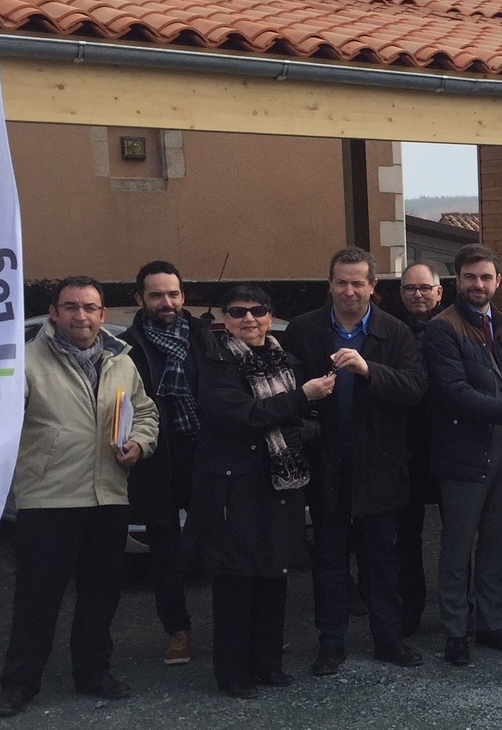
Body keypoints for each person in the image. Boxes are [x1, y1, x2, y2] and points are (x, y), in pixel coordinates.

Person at [0, 277, 160, 718]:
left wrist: (141, 443)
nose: (79, 316)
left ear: (103, 315)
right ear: (54, 312)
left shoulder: (121, 360)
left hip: (107, 497)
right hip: (49, 499)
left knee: (100, 596)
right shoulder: (24, 362)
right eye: (70, 307)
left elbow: (144, 412)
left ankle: (93, 672)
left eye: (89, 307)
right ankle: (19, 683)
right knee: (37, 599)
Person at [282, 247, 428, 674]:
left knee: (383, 557)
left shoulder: (394, 332)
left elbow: (416, 389)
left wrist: (369, 371)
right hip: (326, 464)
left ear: (372, 287)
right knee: (328, 559)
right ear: (329, 285)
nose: (349, 291)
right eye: (341, 283)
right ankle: (331, 643)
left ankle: (388, 638)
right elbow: (285, 392)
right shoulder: (304, 331)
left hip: (380, 463)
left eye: (357, 283)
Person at [190, 286, 332, 699]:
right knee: (236, 580)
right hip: (235, 485)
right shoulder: (216, 361)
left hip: (282, 482)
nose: (248, 319)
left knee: (275, 575)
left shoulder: (287, 360)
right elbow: (240, 416)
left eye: (258, 311)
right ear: (225, 318)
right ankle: (233, 675)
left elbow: (312, 421)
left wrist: (303, 426)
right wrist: (300, 398)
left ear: (270, 316)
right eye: (238, 312)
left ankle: (268, 664)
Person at [424, 243, 502, 666]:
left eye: (486, 277)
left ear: (498, 281)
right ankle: (456, 630)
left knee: (497, 544)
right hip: (464, 452)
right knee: (458, 546)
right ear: (457, 281)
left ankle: (493, 624)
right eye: (470, 277)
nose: (478, 285)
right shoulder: (442, 329)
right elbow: (456, 394)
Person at [122, 260, 211, 667]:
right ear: (140, 299)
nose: (167, 302)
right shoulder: (126, 347)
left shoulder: (204, 339)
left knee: (221, 545)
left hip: (206, 456)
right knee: (165, 555)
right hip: (158, 460)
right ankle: (178, 631)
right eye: (156, 294)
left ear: (183, 296)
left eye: (173, 293)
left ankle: (233, 628)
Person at [393, 261, 445, 636]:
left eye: (425, 288)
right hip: (402, 449)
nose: (418, 294)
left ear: (439, 292)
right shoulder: (388, 332)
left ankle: (459, 610)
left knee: (456, 534)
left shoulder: (454, 330)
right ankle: (410, 609)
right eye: (411, 288)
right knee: (405, 537)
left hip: (448, 445)